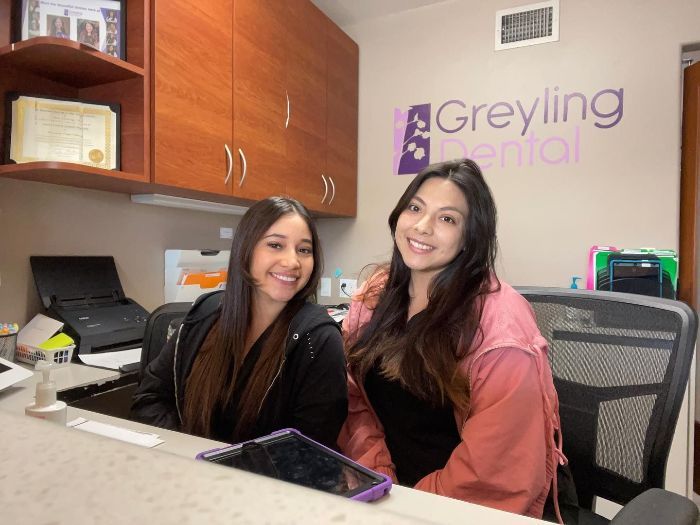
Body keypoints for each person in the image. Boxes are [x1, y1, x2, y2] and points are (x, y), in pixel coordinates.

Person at [338, 159, 564, 521]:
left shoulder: (502, 331)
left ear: (469, 237)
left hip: (462, 506)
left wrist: (407, 506)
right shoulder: (375, 296)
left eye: (447, 219)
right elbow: (355, 403)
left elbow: (493, 473)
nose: (422, 227)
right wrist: (379, 480)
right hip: (389, 494)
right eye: (415, 208)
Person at [131, 196, 348, 449]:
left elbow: (308, 452)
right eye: (276, 245)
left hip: (264, 486)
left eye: (304, 250)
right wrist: (192, 456)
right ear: (246, 249)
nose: (292, 262)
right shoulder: (206, 314)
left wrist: (220, 466)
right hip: (188, 475)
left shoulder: (317, 340)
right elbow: (148, 399)